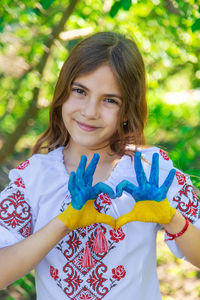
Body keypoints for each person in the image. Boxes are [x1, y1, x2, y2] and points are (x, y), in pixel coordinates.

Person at [0, 32, 200, 300]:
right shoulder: (34, 177)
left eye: (110, 100)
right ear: (62, 93)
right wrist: (63, 222)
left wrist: (171, 218)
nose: (90, 110)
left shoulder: (150, 172)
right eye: (80, 91)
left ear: (128, 109)